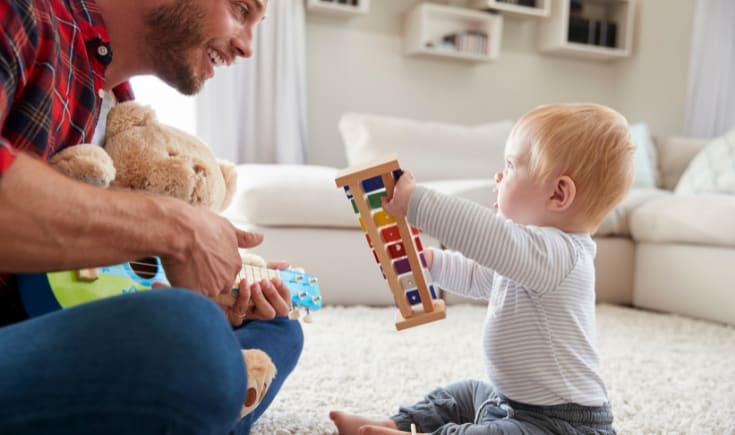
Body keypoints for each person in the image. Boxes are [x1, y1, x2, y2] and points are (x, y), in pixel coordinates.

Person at [0, 0, 303, 434]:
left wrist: (217, 296)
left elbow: (89, 277)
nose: (248, 47)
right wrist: (178, 230)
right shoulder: (23, 15)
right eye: (240, 9)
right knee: (185, 332)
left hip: (41, 327)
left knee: (278, 331)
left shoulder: (123, 112)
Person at [330, 103, 635, 435]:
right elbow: (479, 275)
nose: (498, 176)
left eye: (510, 165)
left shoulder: (561, 255)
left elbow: (484, 235)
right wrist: (431, 262)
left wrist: (415, 203)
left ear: (558, 193)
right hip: (512, 405)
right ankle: (396, 423)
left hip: (563, 426)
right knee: (464, 395)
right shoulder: (529, 257)